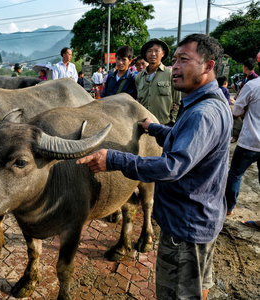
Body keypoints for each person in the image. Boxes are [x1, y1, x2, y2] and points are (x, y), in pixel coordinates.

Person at [77, 34, 231, 300]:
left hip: (186, 228)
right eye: (175, 60)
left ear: (208, 66)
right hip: (200, 216)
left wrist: (113, 159)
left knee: (178, 294)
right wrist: (155, 129)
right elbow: (187, 143)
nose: (176, 67)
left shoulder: (202, 114)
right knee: (197, 288)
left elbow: (173, 166)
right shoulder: (209, 102)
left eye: (184, 60)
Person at [225, 73, 259, 215]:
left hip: (249, 141)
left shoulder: (252, 86)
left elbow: (237, 110)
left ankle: (229, 208)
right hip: (249, 142)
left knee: (235, 175)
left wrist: (246, 110)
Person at [135, 38, 181, 126]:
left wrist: (172, 121)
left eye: (157, 51)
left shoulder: (170, 74)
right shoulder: (139, 77)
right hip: (143, 123)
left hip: (164, 124)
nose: (153, 54)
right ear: (146, 54)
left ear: (163, 53)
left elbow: (177, 101)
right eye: (149, 51)